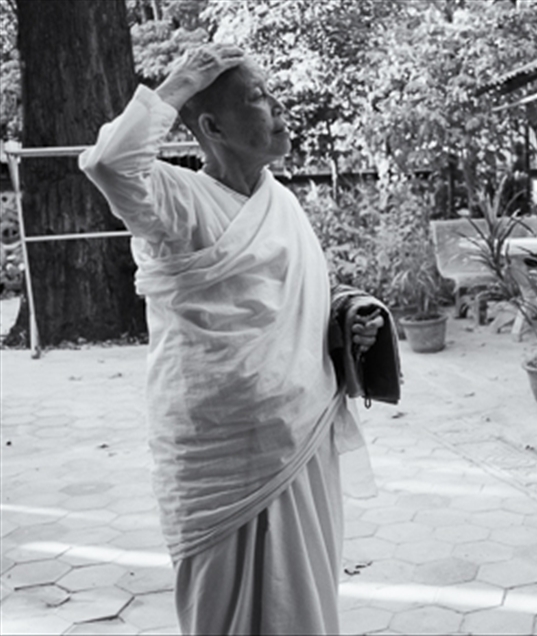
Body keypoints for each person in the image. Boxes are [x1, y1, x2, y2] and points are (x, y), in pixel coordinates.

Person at [79, 45, 382, 635]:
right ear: (213, 128)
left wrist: (344, 321)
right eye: (258, 97)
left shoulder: (281, 201)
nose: (278, 106)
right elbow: (111, 164)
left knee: (304, 607)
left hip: (299, 440)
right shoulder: (179, 200)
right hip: (220, 460)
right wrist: (182, 82)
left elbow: (294, 303)